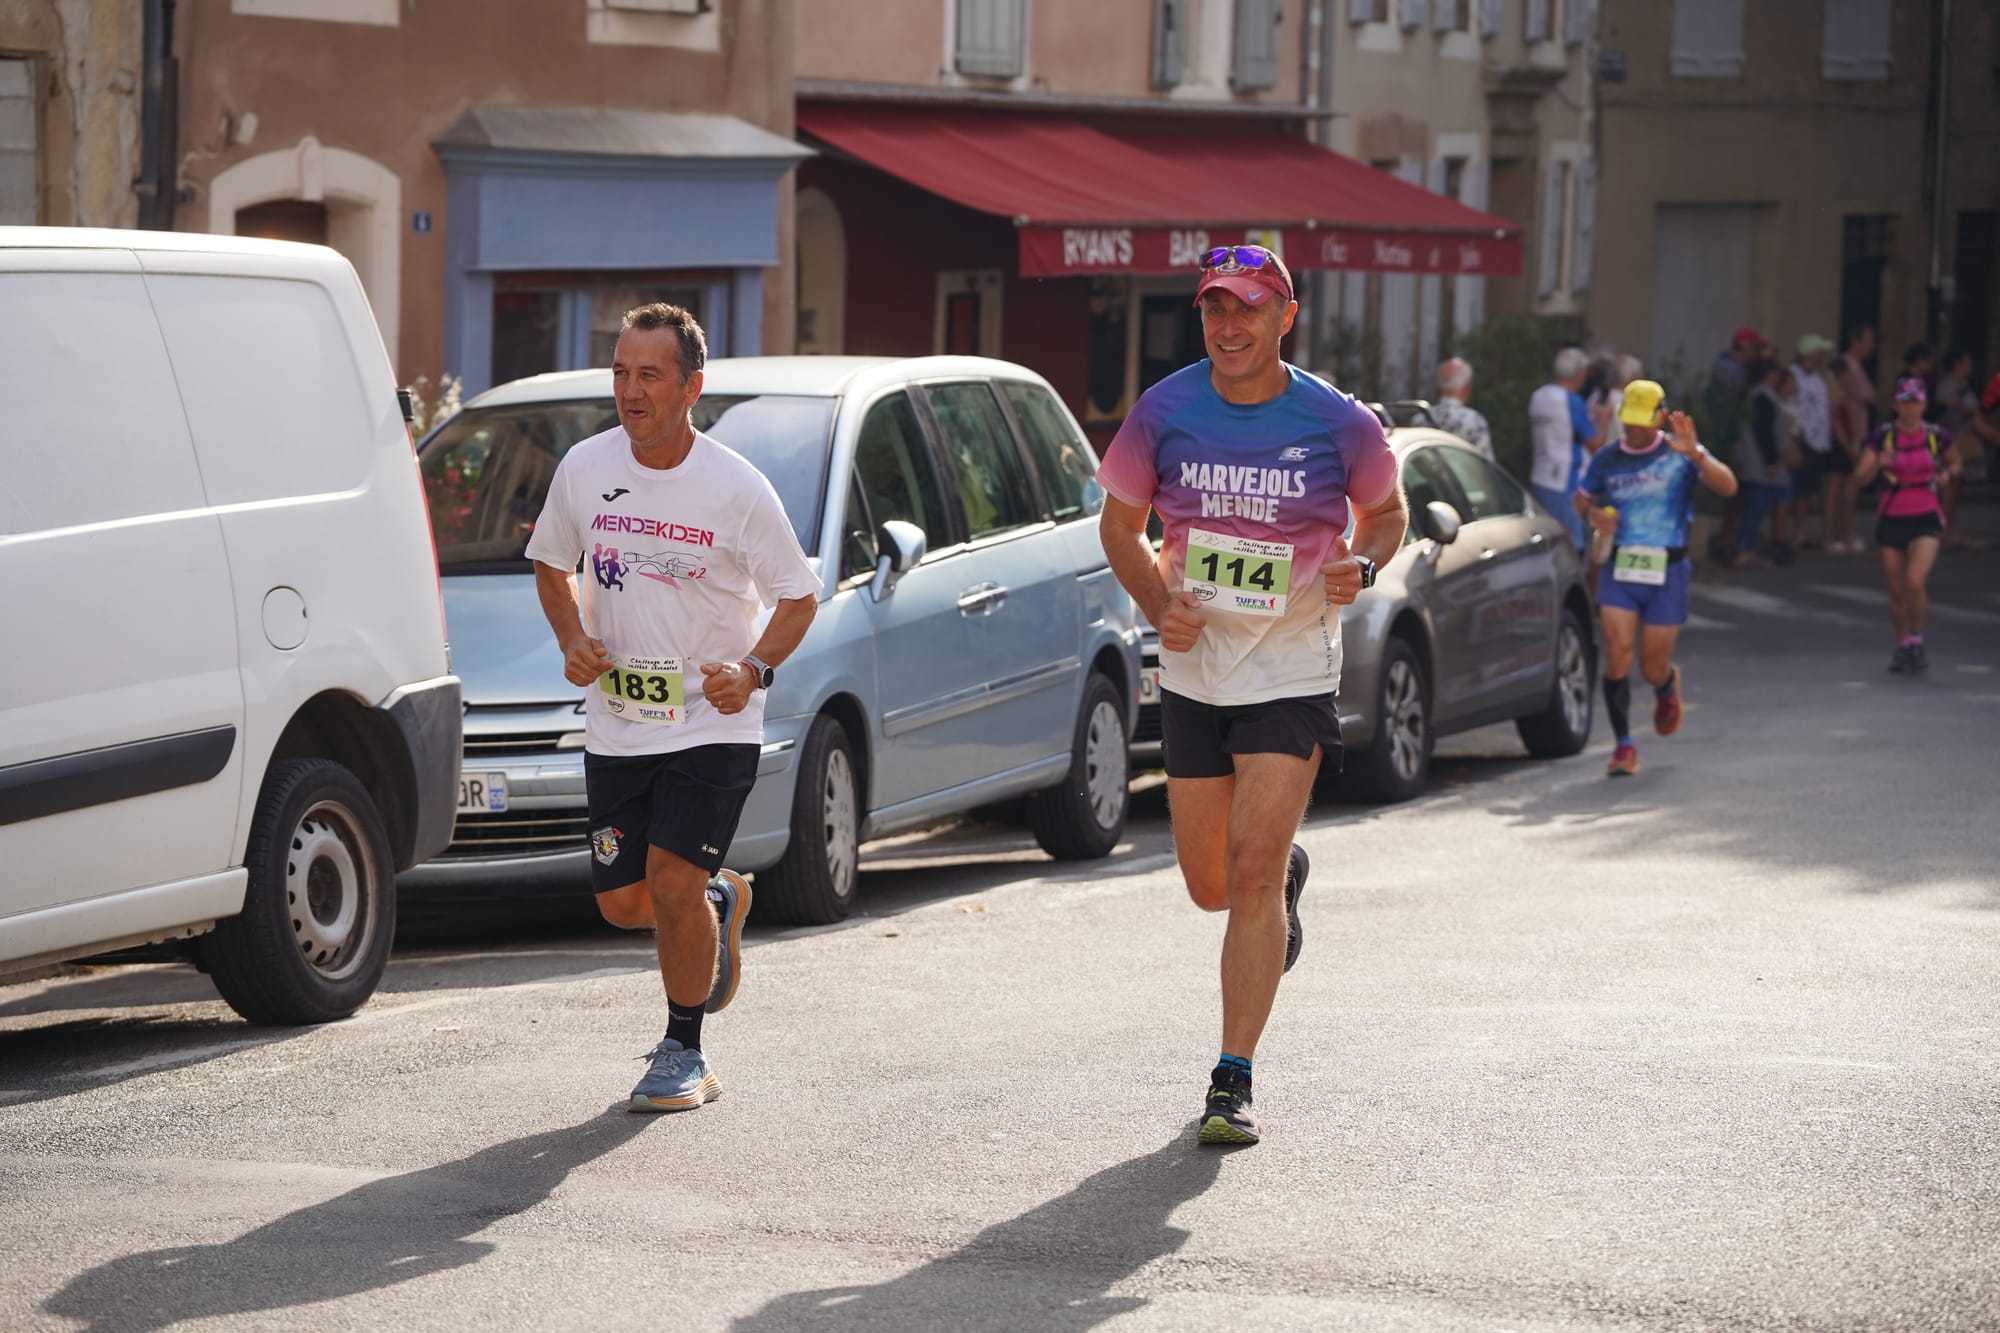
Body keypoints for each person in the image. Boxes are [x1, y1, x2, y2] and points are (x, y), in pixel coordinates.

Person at [1096, 244, 1406, 1146]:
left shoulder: (1336, 421)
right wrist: (1159, 605)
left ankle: (1231, 1078)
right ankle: (1281, 888)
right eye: (1213, 310)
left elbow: (1387, 513)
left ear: (1284, 316)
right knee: (1211, 885)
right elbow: (1118, 525)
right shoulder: (1166, 410)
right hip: (1196, 669)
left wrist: (1365, 562)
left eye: (1247, 309)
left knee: (1255, 866)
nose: (1228, 326)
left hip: (1292, 665)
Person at [526, 303, 821, 1112]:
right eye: (620, 372)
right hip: (620, 722)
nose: (630, 389)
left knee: (668, 876)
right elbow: (551, 564)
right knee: (628, 902)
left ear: (692, 386)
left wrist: (756, 668)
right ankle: (717, 899)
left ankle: (683, 1049)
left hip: (711, 721)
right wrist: (571, 636)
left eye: (648, 374)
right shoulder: (585, 468)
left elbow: (799, 596)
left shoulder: (736, 487)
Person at [1575, 382, 1738, 777]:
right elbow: (1582, 499)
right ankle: (1623, 746)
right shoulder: (1608, 458)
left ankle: (1666, 685)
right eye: (1627, 422)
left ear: (1660, 418)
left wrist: (1697, 456)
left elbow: (1729, 487)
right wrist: (1592, 516)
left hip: (1668, 569)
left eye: (1641, 423)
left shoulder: (1680, 452)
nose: (1632, 430)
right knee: (1616, 655)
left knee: (1650, 668)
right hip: (1620, 568)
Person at [1853, 378, 1963, 673]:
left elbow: (1955, 463)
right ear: (1895, 405)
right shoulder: (1882, 437)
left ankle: (1917, 639)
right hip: (1891, 514)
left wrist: (1946, 475)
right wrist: (1878, 463)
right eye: (1904, 401)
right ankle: (1903, 645)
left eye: (1915, 401)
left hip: (1926, 512)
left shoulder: (1937, 436)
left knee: (1915, 580)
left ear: (1924, 405)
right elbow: (1860, 477)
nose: (1909, 407)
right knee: (1897, 590)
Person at [1530, 347, 1607, 552]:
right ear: (1580, 373)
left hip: (1540, 475)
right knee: (1571, 545)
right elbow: (1595, 444)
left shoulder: (1539, 396)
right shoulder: (1571, 401)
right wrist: (1604, 419)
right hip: (1565, 480)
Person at [1729, 357, 1794, 568]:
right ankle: (1743, 549)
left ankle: (1745, 547)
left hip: (1756, 461)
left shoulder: (1760, 396)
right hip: (1758, 463)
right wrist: (1771, 460)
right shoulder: (1762, 397)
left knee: (1757, 506)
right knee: (1755, 507)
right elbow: (1763, 430)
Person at [1827, 325, 1877, 553]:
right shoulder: (1846, 370)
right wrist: (1850, 446)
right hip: (1846, 437)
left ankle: (1843, 534)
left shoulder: (1857, 368)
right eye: (1868, 340)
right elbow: (1867, 396)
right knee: (1840, 489)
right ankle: (1834, 536)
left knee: (1847, 489)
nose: (1871, 346)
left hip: (1854, 433)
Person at [1786, 335, 1837, 549]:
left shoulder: (1817, 378)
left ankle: (1800, 533)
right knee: (1794, 490)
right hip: (1801, 439)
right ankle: (1789, 534)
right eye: (1819, 353)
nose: (1821, 357)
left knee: (1806, 492)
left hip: (1818, 441)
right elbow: (1789, 407)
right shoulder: (1792, 375)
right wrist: (1794, 436)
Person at [1428, 357, 1493, 461]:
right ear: (1467, 386)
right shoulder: (1474, 422)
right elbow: (1486, 468)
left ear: (1437, 385)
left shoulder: (1420, 418)